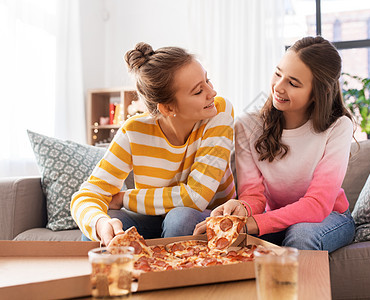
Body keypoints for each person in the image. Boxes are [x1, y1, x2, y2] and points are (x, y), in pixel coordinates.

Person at [194, 36, 355, 253]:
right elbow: (254, 195)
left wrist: (251, 225)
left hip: (329, 217)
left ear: (319, 92)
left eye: (293, 83)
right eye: (278, 74)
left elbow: (318, 204)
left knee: (301, 235)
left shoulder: (338, 127)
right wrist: (242, 208)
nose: (278, 87)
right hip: (272, 217)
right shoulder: (248, 125)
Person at [71, 42, 235, 246]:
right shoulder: (134, 132)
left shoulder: (219, 112)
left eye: (208, 80)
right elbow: (86, 196)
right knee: (101, 228)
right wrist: (100, 223)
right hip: (153, 219)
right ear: (167, 108)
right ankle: (120, 275)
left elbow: (196, 197)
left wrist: (124, 198)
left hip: (206, 216)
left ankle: (170, 277)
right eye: (198, 91)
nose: (212, 92)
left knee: (180, 218)